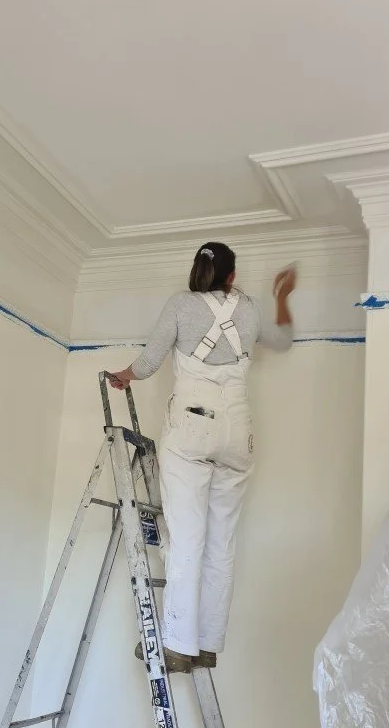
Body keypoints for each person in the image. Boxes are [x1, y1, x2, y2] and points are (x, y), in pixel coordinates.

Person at [107, 242, 295, 672]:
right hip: (238, 433)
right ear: (231, 276)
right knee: (221, 541)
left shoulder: (181, 305)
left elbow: (150, 361)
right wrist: (282, 297)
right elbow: (283, 340)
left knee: (186, 537)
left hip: (192, 429)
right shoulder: (247, 309)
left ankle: (177, 644)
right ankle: (208, 642)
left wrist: (123, 376)